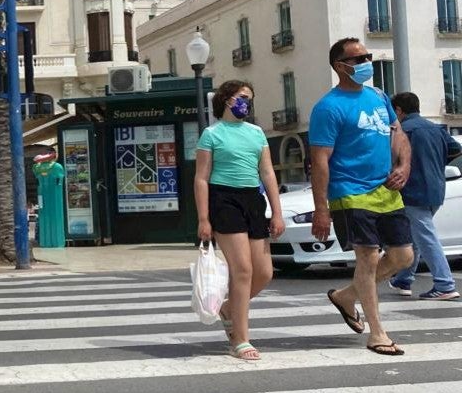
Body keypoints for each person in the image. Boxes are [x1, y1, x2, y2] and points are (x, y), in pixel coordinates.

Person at [310, 38, 414, 356]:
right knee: (367, 259)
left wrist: (404, 165)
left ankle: (345, 296)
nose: (366, 62)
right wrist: (321, 209)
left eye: (367, 56)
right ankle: (377, 333)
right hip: (350, 191)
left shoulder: (379, 96)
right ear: (339, 66)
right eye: (358, 59)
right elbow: (319, 161)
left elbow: (398, 135)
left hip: (386, 191)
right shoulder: (328, 107)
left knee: (403, 257)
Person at [194, 81, 285, 361]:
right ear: (226, 99)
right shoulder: (211, 134)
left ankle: (228, 307)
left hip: (253, 200)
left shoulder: (257, 133)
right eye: (242, 97)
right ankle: (241, 339)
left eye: (250, 98)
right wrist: (204, 219)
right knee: (242, 270)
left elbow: (268, 173)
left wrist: (277, 212)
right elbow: (201, 178)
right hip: (225, 200)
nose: (247, 102)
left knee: (264, 272)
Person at [389, 92, 462, 300]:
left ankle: (445, 284)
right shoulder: (435, 129)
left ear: (399, 111)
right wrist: (435, 162)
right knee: (416, 236)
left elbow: (392, 159)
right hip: (436, 189)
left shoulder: (403, 131)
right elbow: (455, 149)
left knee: (426, 237)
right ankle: (403, 279)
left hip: (412, 190)